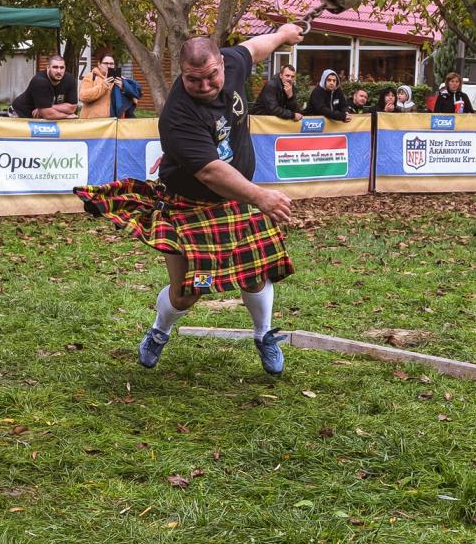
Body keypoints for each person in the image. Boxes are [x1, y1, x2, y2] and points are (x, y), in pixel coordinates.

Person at [74, 22, 306, 375]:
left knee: (256, 275)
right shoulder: (177, 116)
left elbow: (254, 48)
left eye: (211, 76)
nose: (205, 85)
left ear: (222, 64)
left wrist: (283, 35)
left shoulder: (232, 62)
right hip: (189, 204)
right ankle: (159, 330)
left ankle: (263, 335)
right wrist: (260, 196)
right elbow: (211, 172)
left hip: (235, 200)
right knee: (186, 292)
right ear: (182, 73)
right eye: (193, 79)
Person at [10, 55, 78, 119]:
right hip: (19, 114)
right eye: (55, 67)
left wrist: (49, 107)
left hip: (41, 118)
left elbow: (72, 108)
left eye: (62, 67)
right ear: (48, 68)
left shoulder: (69, 80)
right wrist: (67, 116)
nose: (59, 71)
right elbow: (48, 114)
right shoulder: (40, 81)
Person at [78, 53, 118, 119]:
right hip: (91, 121)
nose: (109, 66)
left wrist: (123, 87)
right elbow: (83, 96)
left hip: (112, 122)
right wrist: (103, 86)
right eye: (106, 63)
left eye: (111, 64)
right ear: (99, 64)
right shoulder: (90, 77)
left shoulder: (118, 79)